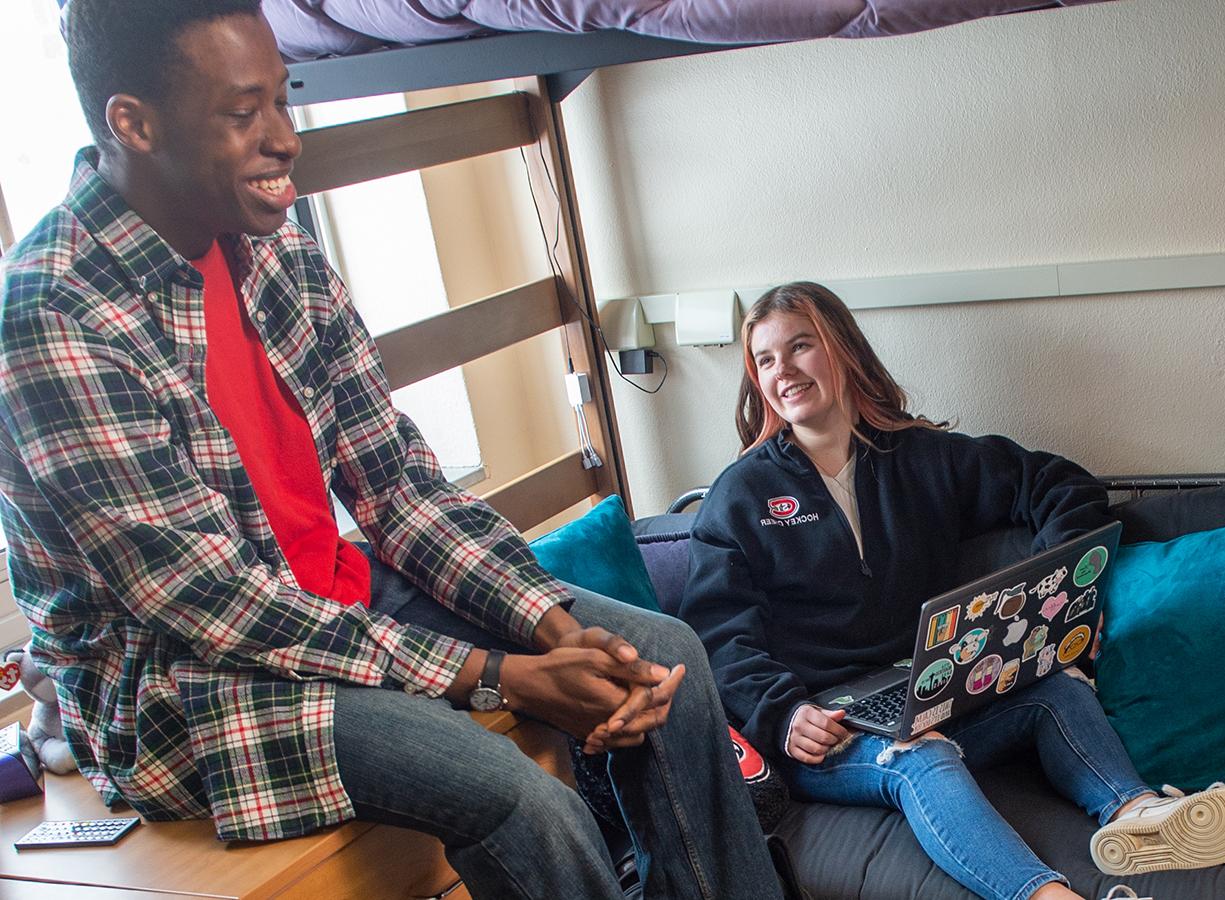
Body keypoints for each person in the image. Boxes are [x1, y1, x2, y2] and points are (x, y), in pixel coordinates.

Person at [0, 3, 782, 898]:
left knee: (660, 654)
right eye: (241, 112)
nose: (283, 140)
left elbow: (398, 488)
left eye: (284, 102)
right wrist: (504, 677)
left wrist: (561, 635)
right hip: (190, 686)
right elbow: (207, 601)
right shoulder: (54, 313)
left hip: (331, 597)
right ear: (132, 123)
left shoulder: (281, 253)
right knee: (525, 800)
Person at [678, 281, 1225, 900]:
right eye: (766, 360)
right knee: (918, 756)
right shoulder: (740, 495)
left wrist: (1057, 591)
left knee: (1053, 689)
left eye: (800, 347)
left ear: (844, 351)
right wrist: (784, 713)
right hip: (829, 727)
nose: (784, 371)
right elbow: (718, 636)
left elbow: (1061, 484)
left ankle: (1139, 817)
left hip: (934, 692)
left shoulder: (923, 457)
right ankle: (1046, 896)